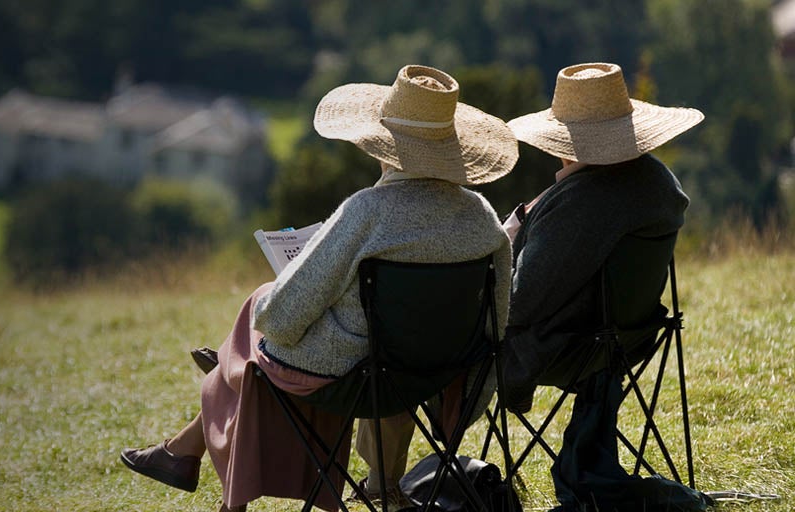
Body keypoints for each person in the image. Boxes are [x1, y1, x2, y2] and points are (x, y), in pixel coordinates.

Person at [120, 65, 516, 512]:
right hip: (434, 376)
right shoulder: (484, 219)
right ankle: (194, 433)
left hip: (352, 377)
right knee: (321, 342)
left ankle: (214, 399)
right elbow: (497, 322)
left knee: (261, 309)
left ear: (381, 146)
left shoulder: (367, 212)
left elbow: (281, 320)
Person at [499, 62, 710, 511]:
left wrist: (518, 227)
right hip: (629, 340)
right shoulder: (658, 183)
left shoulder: (579, 202)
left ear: (562, 141)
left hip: (569, 347)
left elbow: (518, 304)